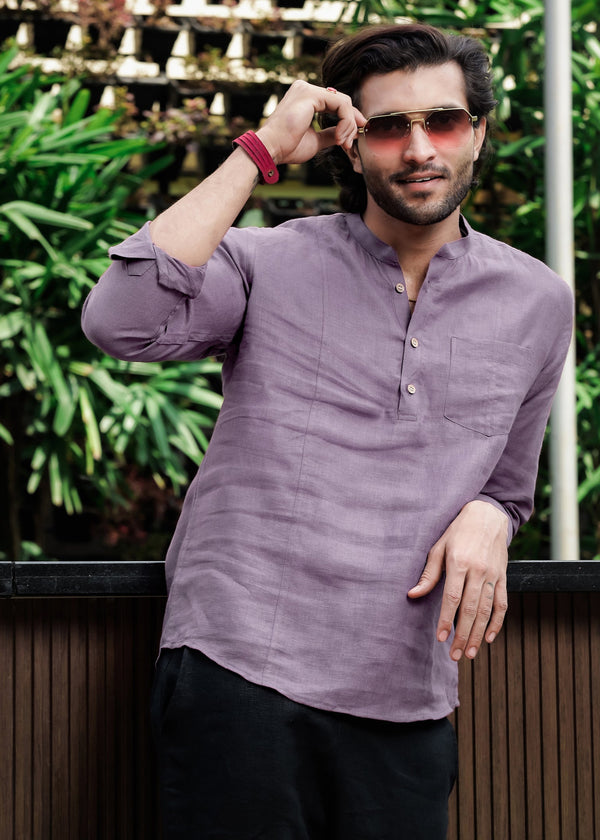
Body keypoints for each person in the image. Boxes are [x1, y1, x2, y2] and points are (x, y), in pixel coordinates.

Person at [82, 22, 573, 840]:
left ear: (479, 133)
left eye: (443, 122)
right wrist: (262, 147)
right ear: (352, 145)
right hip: (239, 664)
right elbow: (121, 321)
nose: (419, 150)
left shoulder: (538, 303)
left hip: (407, 691)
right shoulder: (264, 262)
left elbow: (509, 483)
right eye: (388, 128)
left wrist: (494, 515)